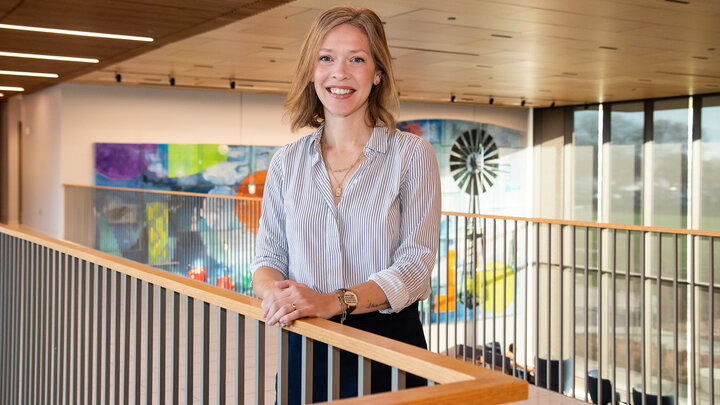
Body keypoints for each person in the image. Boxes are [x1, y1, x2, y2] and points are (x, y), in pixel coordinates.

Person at [250, 5, 441, 403]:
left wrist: (332, 301)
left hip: (389, 345)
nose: (340, 72)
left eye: (357, 59)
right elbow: (268, 257)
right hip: (308, 341)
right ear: (311, 71)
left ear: (377, 73)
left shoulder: (412, 155)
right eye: (326, 58)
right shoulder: (286, 161)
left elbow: (416, 268)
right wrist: (275, 294)